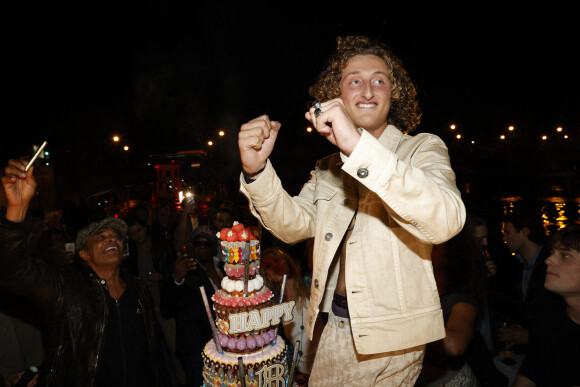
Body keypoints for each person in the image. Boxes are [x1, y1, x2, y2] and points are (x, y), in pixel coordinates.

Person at [237, 35, 465, 385]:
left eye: (380, 80)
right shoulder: (327, 167)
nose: (368, 90)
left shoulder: (422, 148)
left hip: (393, 338)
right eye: (354, 80)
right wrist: (257, 171)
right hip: (337, 326)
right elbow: (292, 227)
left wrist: (357, 147)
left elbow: (446, 219)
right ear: (337, 96)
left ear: (394, 94)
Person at [0, 158, 173, 386]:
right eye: (101, 237)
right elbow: (14, 270)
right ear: (83, 254)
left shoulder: (139, 289)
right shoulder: (66, 289)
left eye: (116, 237)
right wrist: (18, 209)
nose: (112, 239)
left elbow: (155, 352)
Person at [416, 232, 507, 386]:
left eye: (434, 247)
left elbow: (454, 346)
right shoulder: (424, 289)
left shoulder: (462, 299)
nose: (424, 250)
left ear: (449, 257)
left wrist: (407, 323)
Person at [512, 222, 580, 386]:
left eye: (564, 256)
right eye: (552, 253)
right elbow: (531, 372)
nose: (548, 260)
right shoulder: (548, 320)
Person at [160, 225, 224, 387]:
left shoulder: (224, 267)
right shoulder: (185, 268)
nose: (202, 248)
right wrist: (178, 278)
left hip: (226, 343)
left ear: (215, 246)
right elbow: (167, 309)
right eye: (197, 243)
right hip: (197, 348)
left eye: (206, 244)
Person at [261, 247, 324, 385]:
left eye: (277, 260)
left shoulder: (310, 283)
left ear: (287, 261)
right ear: (267, 275)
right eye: (268, 266)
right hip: (300, 374)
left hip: (325, 366)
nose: (275, 266)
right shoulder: (275, 304)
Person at [497, 207, 557, 350]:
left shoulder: (549, 266)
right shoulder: (520, 265)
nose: (504, 239)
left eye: (507, 233)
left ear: (524, 232)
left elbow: (553, 315)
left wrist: (530, 337)